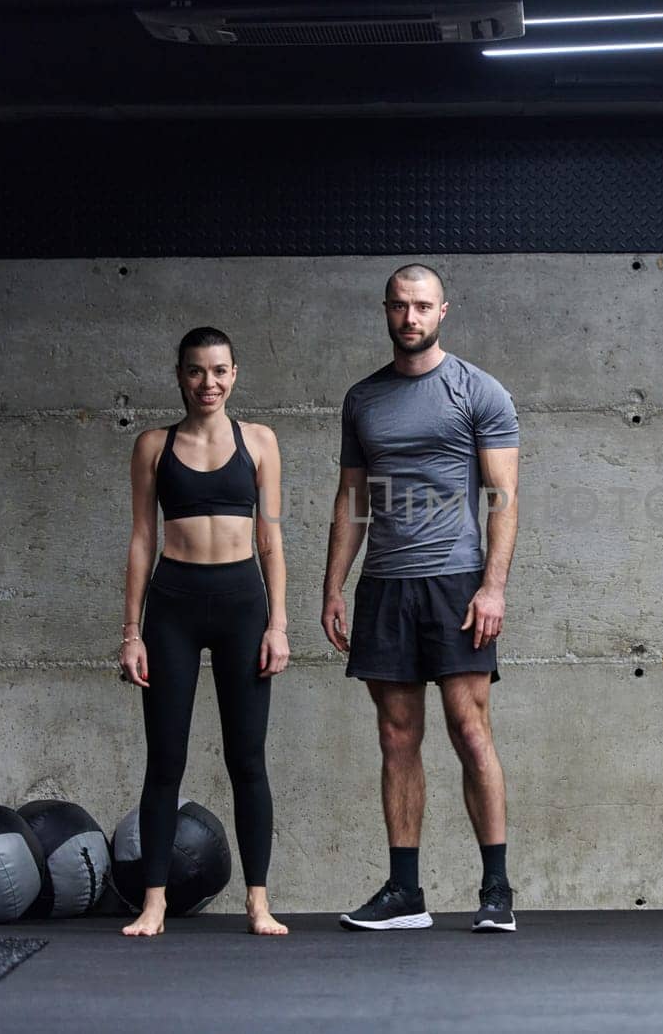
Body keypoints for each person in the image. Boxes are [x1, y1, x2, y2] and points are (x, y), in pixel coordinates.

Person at [323, 263, 522, 933]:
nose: (411, 318)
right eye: (400, 306)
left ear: (445, 311)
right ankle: (405, 892)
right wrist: (333, 586)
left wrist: (493, 586)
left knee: (470, 730)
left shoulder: (478, 390)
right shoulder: (363, 399)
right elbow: (352, 500)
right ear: (386, 310)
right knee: (395, 735)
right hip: (385, 583)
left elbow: (503, 499)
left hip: (456, 580)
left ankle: (496, 889)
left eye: (423, 307)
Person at [118, 326, 290, 937]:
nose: (207, 383)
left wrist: (279, 623)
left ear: (235, 374)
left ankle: (258, 901)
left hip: (244, 605)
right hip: (173, 607)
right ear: (180, 376)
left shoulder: (261, 443)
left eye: (219, 371)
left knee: (249, 759)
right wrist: (131, 631)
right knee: (165, 759)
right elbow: (142, 539)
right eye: (195, 371)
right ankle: (155, 902)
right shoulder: (152, 446)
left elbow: (270, 538)